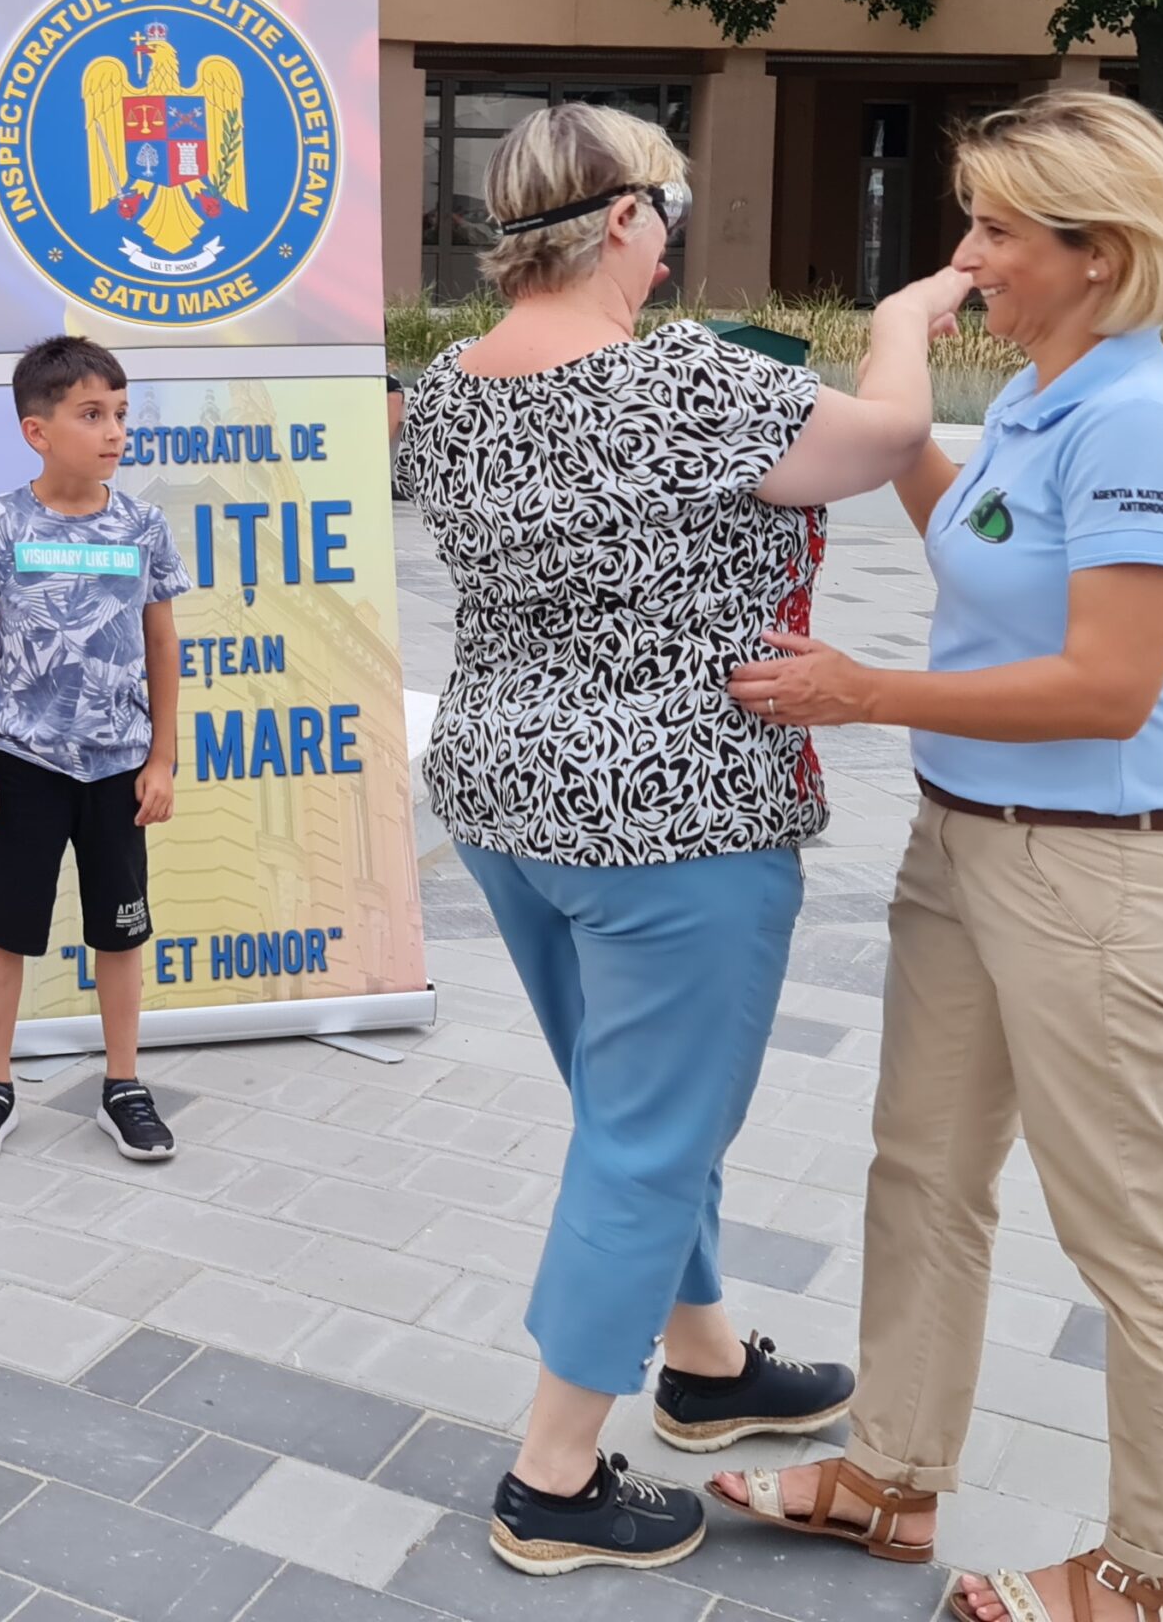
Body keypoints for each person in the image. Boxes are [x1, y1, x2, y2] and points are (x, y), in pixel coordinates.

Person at [395, 100, 972, 1578]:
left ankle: (705, 1362)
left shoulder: (444, 388)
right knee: (650, 1140)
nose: (668, 246)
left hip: (508, 797)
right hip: (678, 818)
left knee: (630, 1109)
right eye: (672, 211)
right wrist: (904, 314)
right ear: (631, 222)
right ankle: (553, 1475)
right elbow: (891, 440)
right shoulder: (692, 385)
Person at [714, 88, 1163, 1622]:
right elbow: (974, 543)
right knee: (924, 1171)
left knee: (1135, 1232)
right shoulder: (1046, 402)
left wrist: (866, 692)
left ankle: (1158, 1567)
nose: (972, 253)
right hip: (965, 842)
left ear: (1100, 250)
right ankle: (891, 1476)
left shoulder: (1142, 420)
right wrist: (901, 372)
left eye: (1001, 230)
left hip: (1087, 873)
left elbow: (1108, 683)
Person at [0, 335, 186, 1167]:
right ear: (37, 430)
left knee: (120, 932)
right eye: (92, 414)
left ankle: (124, 1087)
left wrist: (162, 757)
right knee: (7, 930)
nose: (114, 430)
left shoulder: (145, 525)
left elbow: (162, 645)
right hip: (26, 766)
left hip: (117, 768)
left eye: (120, 413)